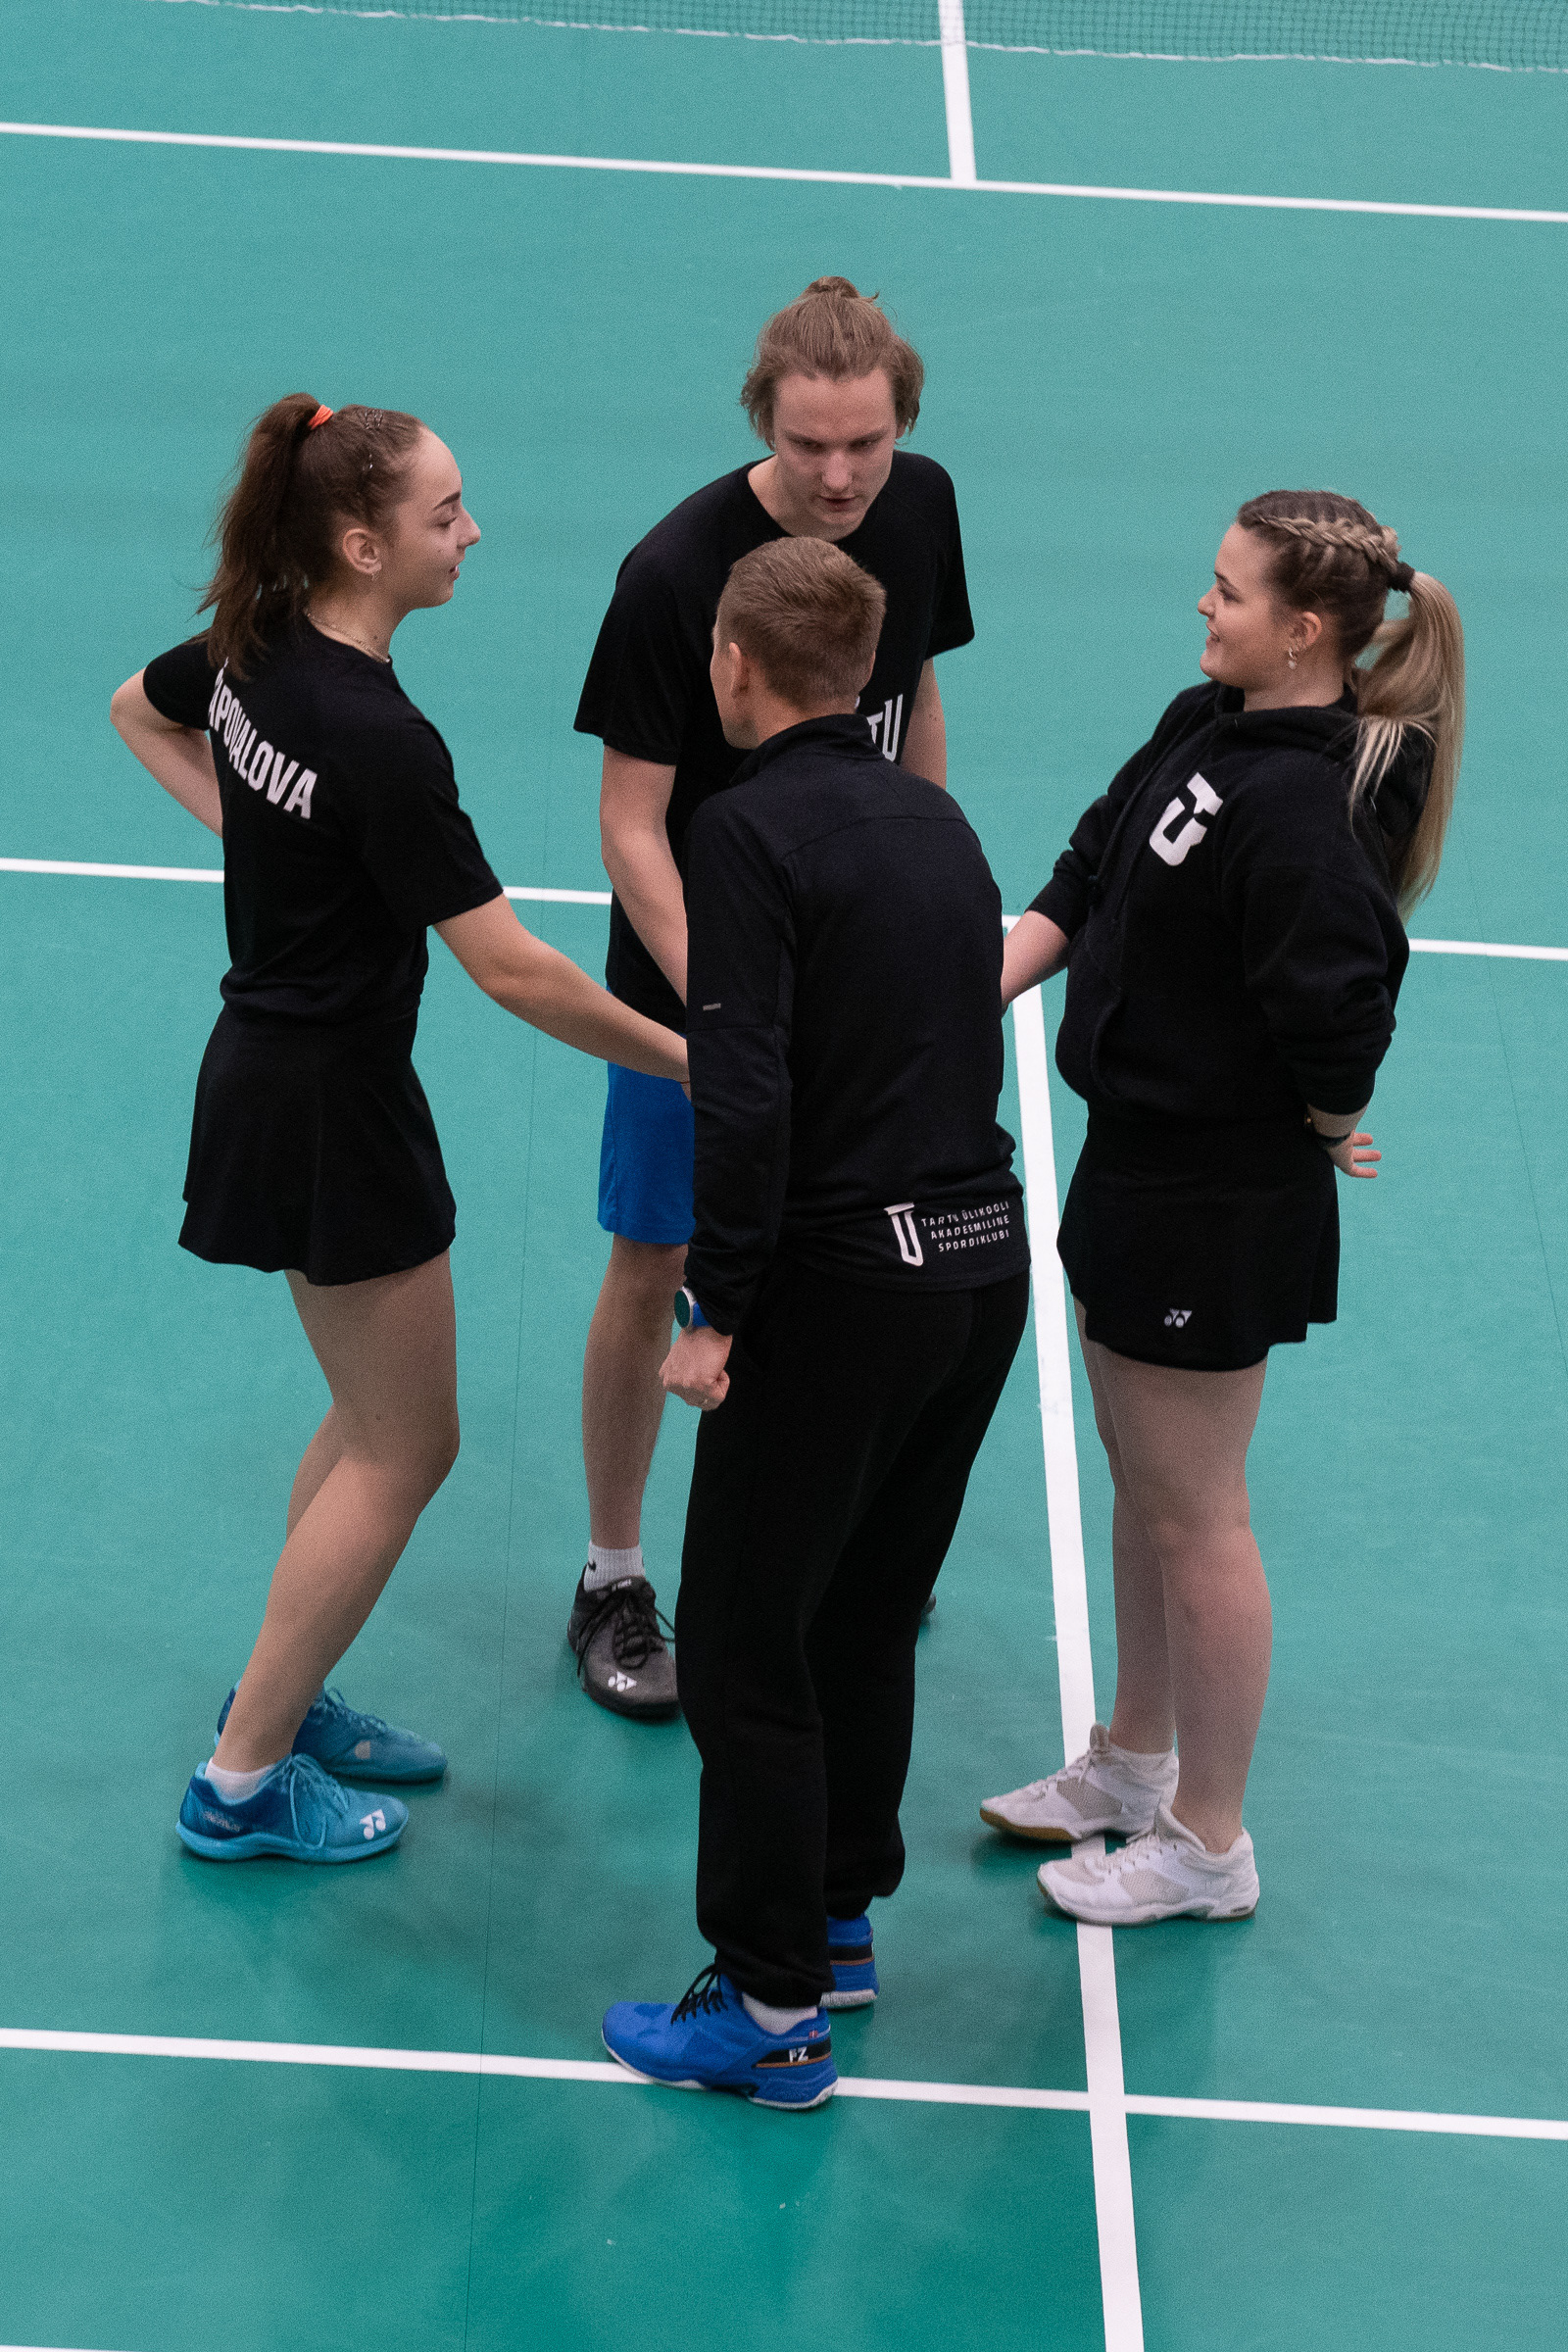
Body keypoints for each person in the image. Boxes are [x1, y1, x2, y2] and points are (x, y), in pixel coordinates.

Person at [111, 394, 687, 1867]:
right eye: (445, 513)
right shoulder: (380, 738)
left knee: (366, 1423)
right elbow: (514, 971)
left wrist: (275, 851)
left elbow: (137, 709)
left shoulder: (253, 645)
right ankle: (240, 1783)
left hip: (270, 1081)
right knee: (408, 1447)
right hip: (333, 1110)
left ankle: (281, 1701)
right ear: (363, 545)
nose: (472, 531)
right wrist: (696, 1061)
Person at [981, 489, 1463, 1925]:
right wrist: (973, 985)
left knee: (1199, 1516)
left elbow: (1346, 1011)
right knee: (1143, 1477)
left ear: (1303, 630)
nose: (1204, 605)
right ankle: (1133, 1764)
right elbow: (1092, 861)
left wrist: (1324, 1121)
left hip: (1214, 1196)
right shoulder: (1210, 721)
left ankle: (1208, 1842)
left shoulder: (1307, 812)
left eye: (1229, 590)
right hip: (1135, 1162)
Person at [599, 537, 1030, 2109]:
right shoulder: (938, 820)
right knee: (862, 1616)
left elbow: (746, 1089)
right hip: (977, 1274)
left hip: (842, 1293)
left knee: (740, 1645)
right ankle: (838, 1919)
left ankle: (771, 2006)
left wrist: (718, 1307)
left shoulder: (740, 830)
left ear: (734, 666)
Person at [567, 276, 974, 1718]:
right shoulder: (674, 576)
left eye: (866, 443)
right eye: (809, 446)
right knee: (656, 1260)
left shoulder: (920, 509)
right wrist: (733, 1013)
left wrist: (927, 882)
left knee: (837, 1262)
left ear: (901, 423)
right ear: (763, 423)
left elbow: (911, 702)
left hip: (856, 982)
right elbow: (631, 829)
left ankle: (822, 1537)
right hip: (690, 999)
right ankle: (615, 1573)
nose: (841, 476)